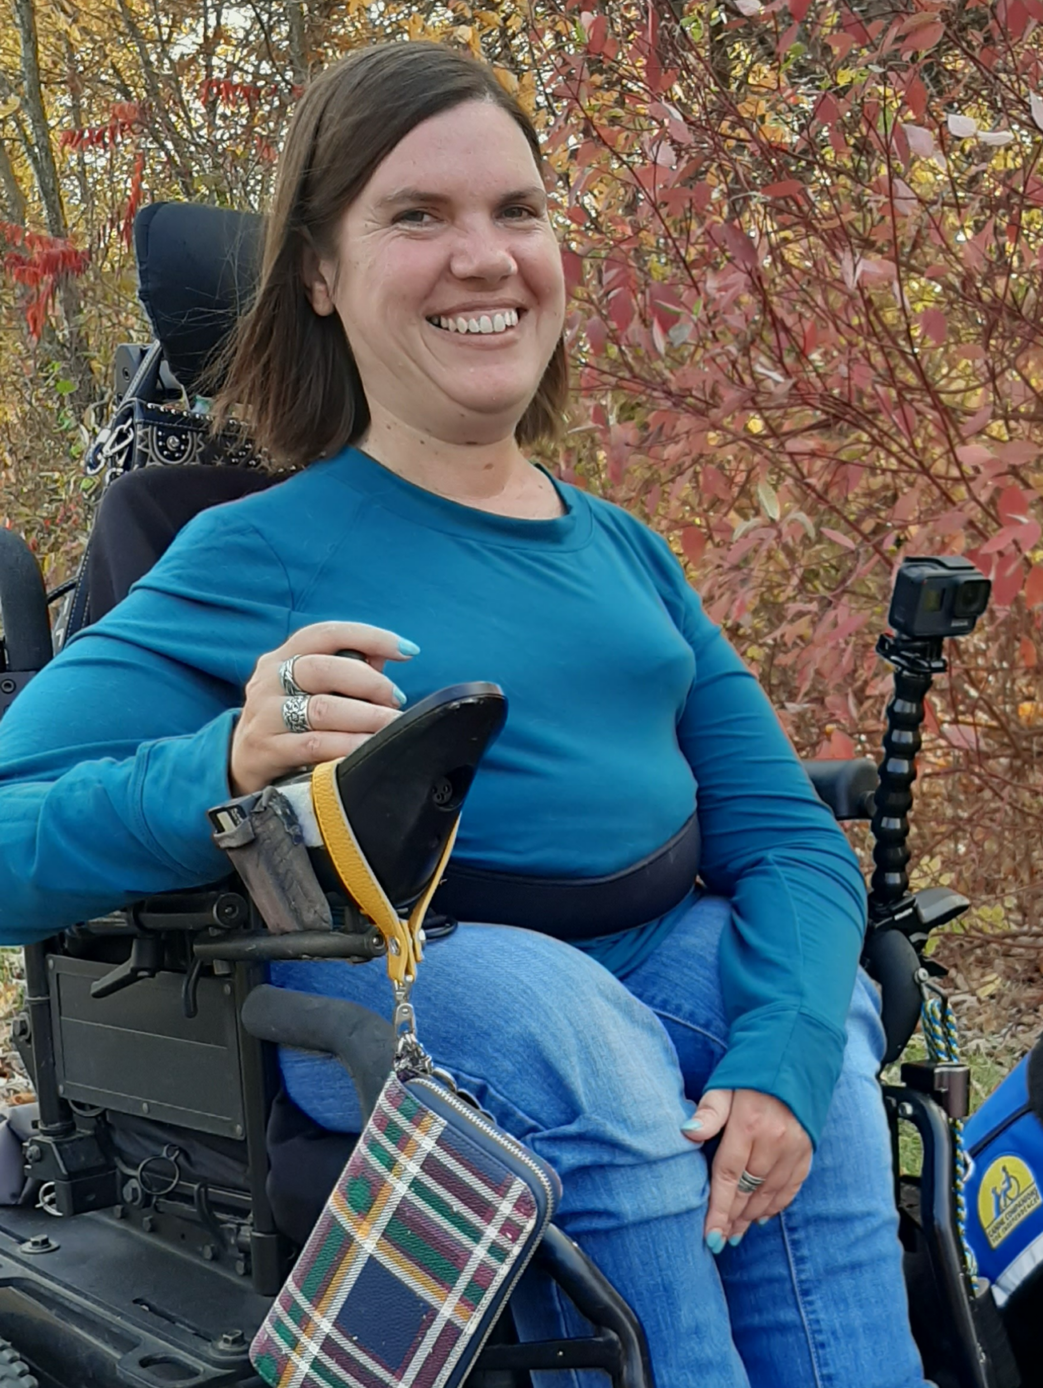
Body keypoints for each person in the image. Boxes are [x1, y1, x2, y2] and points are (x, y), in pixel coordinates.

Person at [0, 41, 927, 1388]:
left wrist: (784, 1054)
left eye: (516, 211)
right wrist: (229, 764)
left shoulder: (625, 553)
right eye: (417, 216)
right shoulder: (248, 555)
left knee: (820, 1039)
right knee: (564, 1027)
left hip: (658, 955)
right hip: (411, 979)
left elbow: (784, 840)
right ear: (320, 273)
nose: (483, 256)